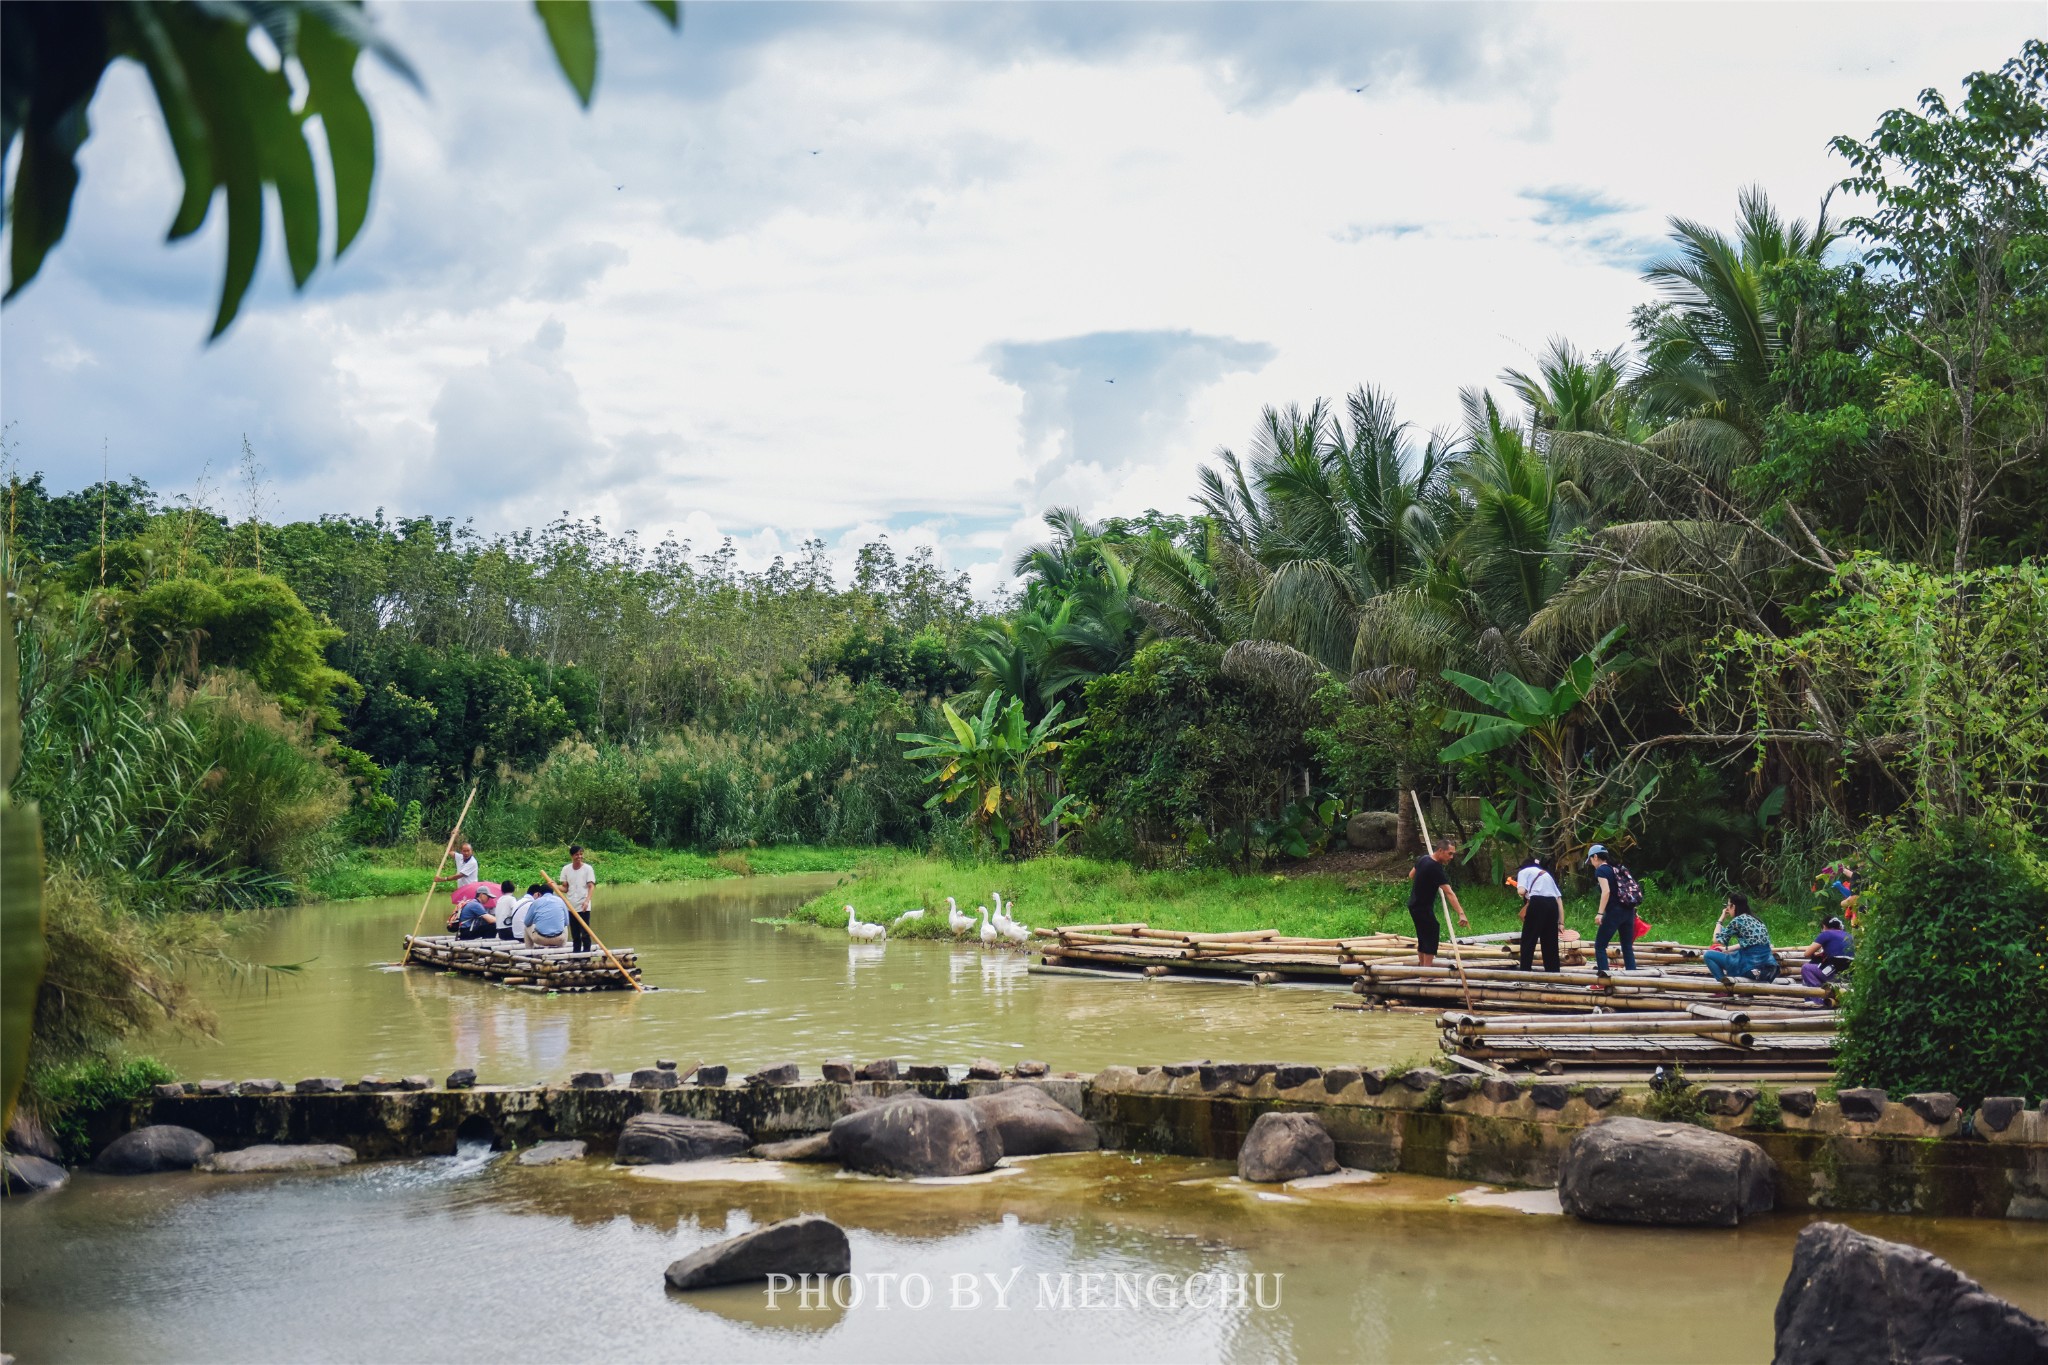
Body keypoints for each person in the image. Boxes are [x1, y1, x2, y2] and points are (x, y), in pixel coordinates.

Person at [1406, 837, 1468, 967]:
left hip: (1414, 905)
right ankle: (1426, 973)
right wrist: (1461, 913)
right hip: (1422, 907)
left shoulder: (1424, 859)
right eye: (1449, 853)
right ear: (1440, 850)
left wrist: (1426, 882)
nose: (1451, 857)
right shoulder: (1435, 868)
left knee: (1423, 937)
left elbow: (1411, 875)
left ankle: (1423, 970)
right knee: (1431, 936)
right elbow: (1449, 893)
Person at [1587, 844, 1637, 977]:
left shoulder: (1601, 871)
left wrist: (1600, 913)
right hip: (1628, 911)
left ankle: (1605, 979)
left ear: (1595, 857)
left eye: (1591, 860)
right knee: (1627, 946)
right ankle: (1633, 979)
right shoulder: (1617, 868)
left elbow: (1606, 891)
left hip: (1615, 911)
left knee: (1600, 946)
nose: (1591, 863)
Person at [1706, 892, 1776, 984]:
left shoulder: (1737, 921)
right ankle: (1745, 993)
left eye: (1728, 905)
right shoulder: (1757, 920)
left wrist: (1720, 920)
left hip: (1749, 967)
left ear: (1733, 906)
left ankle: (1724, 986)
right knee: (1734, 953)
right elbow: (1750, 943)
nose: (1727, 908)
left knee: (1709, 955)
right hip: (1767, 967)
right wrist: (1727, 949)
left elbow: (1716, 940)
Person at [1509, 856, 1563, 973]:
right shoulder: (1547, 875)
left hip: (1538, 903)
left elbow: (1521, 891)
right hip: (1552, 906)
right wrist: (1561, 922)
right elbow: (1558, 900)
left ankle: (1525, 970)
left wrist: (1521, 890)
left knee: (1529, 938)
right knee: (1550, 942)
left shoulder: (1524, 872)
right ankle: (1553, 972)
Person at [558, 845, 598, 953]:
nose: (579, 856)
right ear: (572, 856)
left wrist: (587, 901)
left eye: (581, 854)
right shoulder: (566, 869)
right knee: (575, 934)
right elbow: (565, 888)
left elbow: (591, 886)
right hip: (571, 906)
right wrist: (555, 886)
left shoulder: (588, 869)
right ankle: (576, 955)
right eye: (577, 854)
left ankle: (586, 954)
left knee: (585, 933)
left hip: (584, 905)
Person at [1801, 915, 1854, 987]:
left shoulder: (1826, 934)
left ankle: (1816, 996)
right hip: (1851, 975)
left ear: (1824, 926)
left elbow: (1807, 954)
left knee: (1806, 968)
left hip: (1835, 974)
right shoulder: (1849, 935)